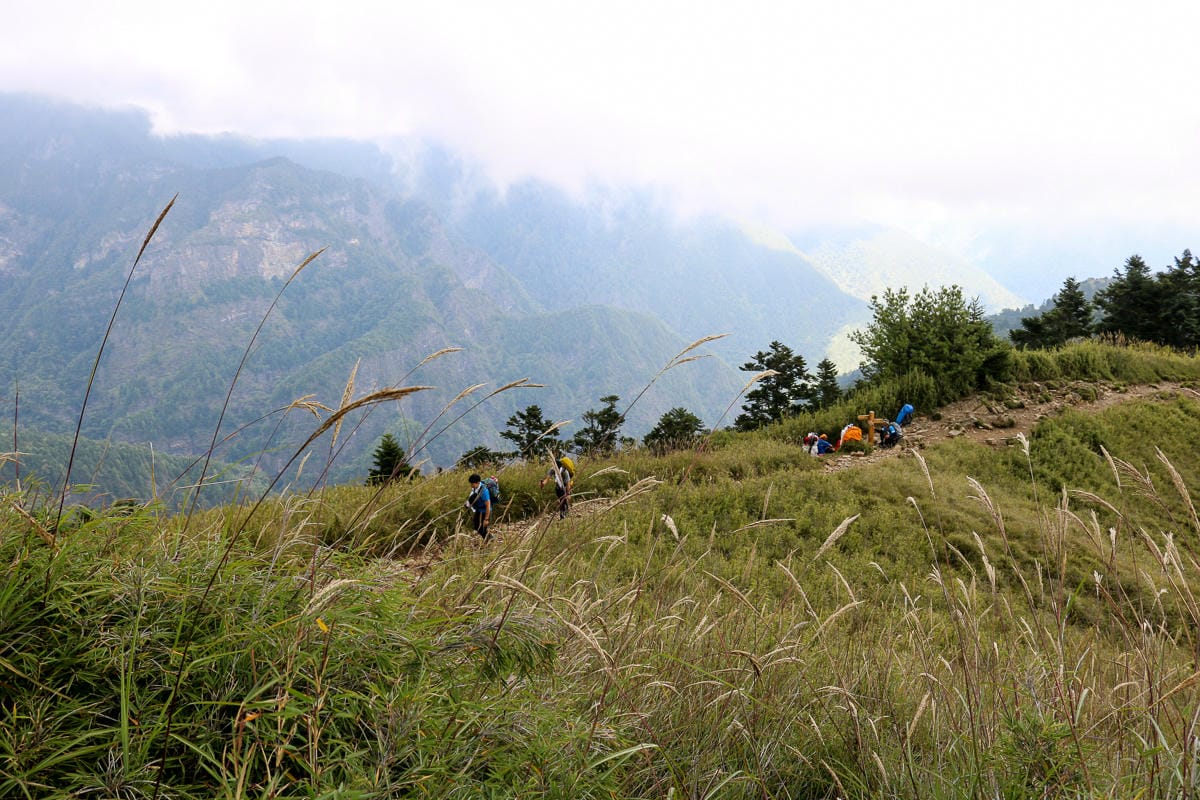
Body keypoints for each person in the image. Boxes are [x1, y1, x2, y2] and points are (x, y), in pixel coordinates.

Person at [466, 473, 491, 540]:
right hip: (478, 510)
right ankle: (488, 539)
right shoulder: (475, 488)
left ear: (477, 482)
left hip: (484, 511)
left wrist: (486, 519)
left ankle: (489, 540)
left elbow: (488, 505)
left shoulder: (484, 491)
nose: (471, 485)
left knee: (483, 528)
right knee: (476, 526)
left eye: (472, 484)